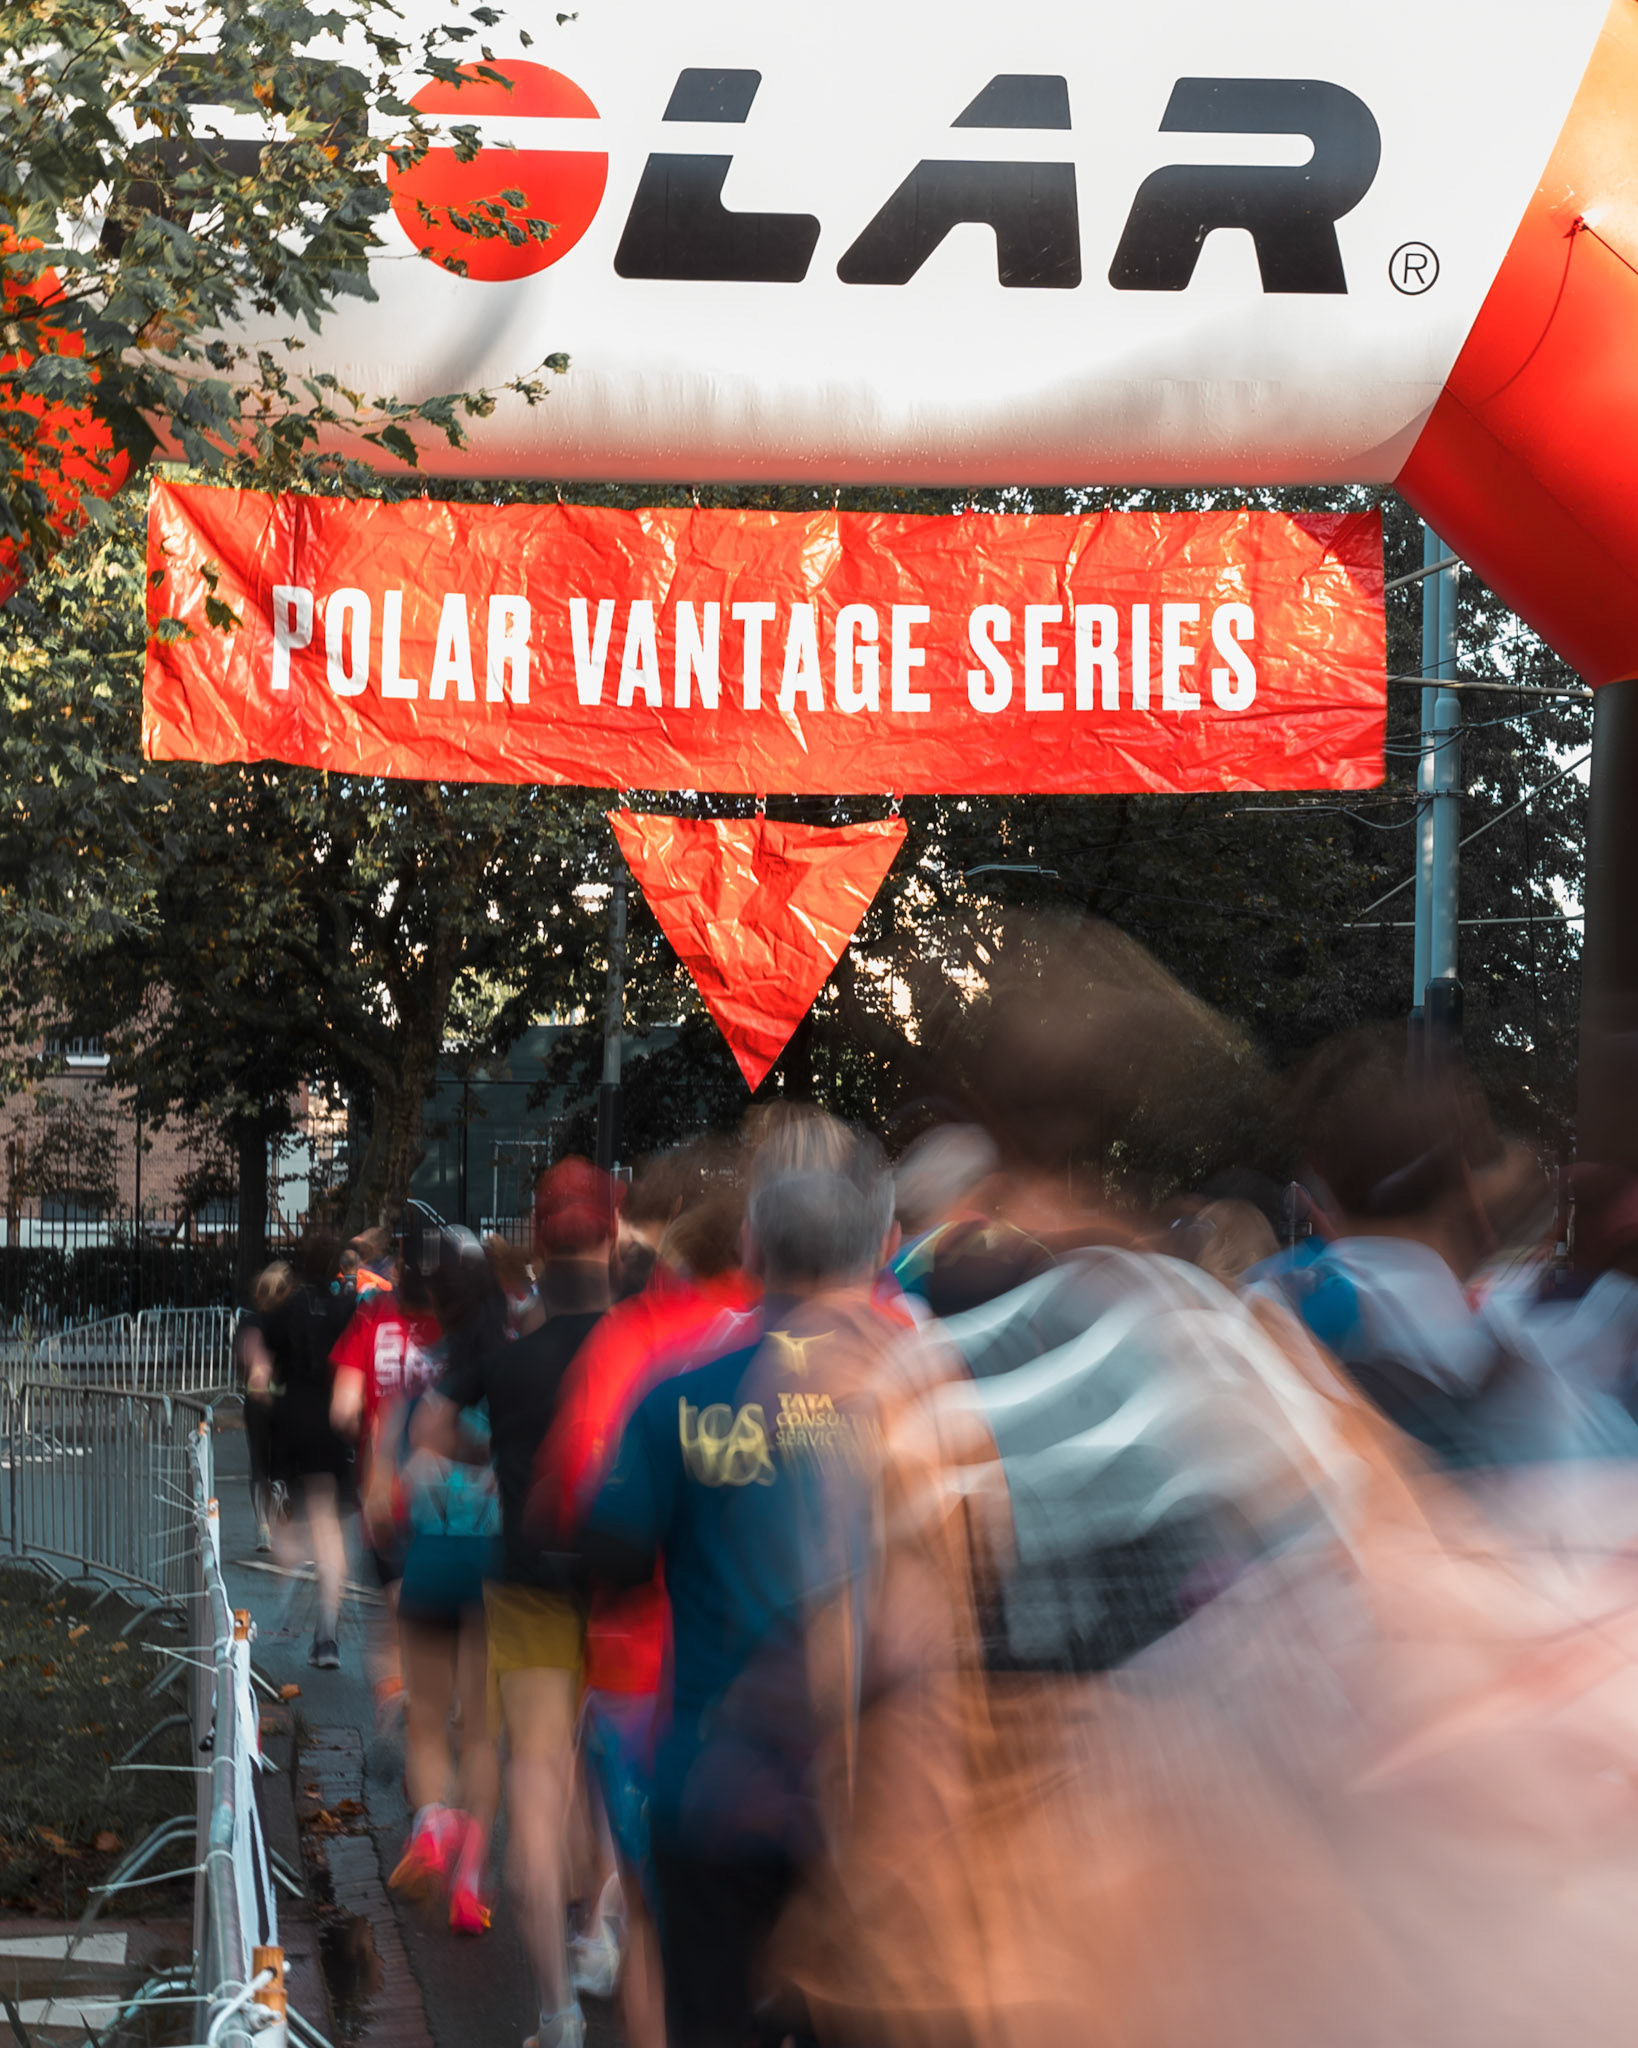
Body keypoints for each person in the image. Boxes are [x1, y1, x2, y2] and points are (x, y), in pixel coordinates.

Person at [582, 1120, 896, 2048]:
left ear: (752, 1250)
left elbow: (613, 1559)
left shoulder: (678, 1394)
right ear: (876, 1252)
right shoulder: (922, 1396)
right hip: (873, 1799)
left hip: (713, 1786)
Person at [533, 1178, 755, 2048]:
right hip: (788, 1687)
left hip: (641, 1673)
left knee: (656, 1931)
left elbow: (579, 1503)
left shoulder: (634, 1341)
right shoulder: (833, 1346)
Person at [415, 1159, 616, 2048]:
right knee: (613, 1778)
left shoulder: (508, 1357)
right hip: (627, 1592)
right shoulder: (641, 1346)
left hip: (531, 1586)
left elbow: (430, 1427)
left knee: (538, 1784)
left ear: (538, 1240)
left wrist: (490, 1455)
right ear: (613, 1235)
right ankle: (600, 1929)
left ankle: (556, 2014)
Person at [244, 1233, 355, 1667]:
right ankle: (326, 1636)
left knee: (287, 1525)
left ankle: (288, 1589)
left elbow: (258, 1366)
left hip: (291, 1422)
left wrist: (264, 1388)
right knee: (328, 1527)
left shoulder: (284, 1310)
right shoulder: (343, 1308)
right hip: (330, 1423)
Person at [237, 1260, 291, 1553]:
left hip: (256, 1396)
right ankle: (280, 1492)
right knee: (282, 1459)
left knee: (258, 1462)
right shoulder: (290, 1320)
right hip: (284, 1397)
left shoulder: (250, 1321)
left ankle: (262, 1528)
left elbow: (241, 1361)